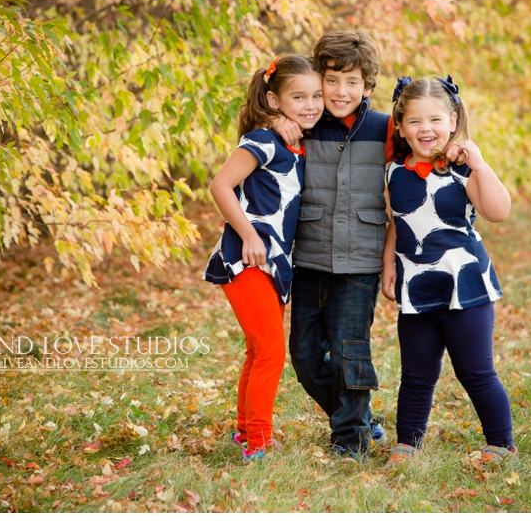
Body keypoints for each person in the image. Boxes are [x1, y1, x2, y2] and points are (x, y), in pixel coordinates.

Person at [380, 75, 515, 467]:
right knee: (416, 375)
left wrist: (481, 164)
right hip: (416, 287)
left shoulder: (462, 170)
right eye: (415, 122)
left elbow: (498, 212)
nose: (426, 129)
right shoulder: (393, 173)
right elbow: (397, 221)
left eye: (435, 120)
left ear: (453, 120)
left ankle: (501, 443)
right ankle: (407, 444)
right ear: (401, 127)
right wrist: (388, 263)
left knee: (475, 371)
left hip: (465, 286)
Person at [272, 31, 395, 462]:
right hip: (308, 255)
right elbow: (260, 142)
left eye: (353, 82)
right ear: (318, 79)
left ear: (367, 87)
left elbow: (419, 160)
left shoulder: (385, 128)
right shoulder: (304, 122)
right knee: (305, 356)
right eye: (333, 79)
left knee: (349, 353)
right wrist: (275, 124)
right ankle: (359, 419)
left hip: (360, 258)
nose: (341, 91)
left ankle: (351, 440)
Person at [203, 54, 323, 462]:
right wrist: (249, 235)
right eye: (299, 96)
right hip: (247, 258)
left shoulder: (295, 143)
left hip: (275, 264)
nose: (311, 104)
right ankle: (258, 442)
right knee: (270, 350)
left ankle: (244, 431)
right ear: (274, 101)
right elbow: (220, 186)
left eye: (317, 95)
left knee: (258, 350)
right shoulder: (262, 140)